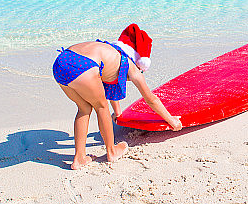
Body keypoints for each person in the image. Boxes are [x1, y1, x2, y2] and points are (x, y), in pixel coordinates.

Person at [53, 25, 182, 170]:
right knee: (101, 107)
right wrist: (171, 120)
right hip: (83, 65)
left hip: (61, 62)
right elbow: (150, 98)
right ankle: (112, 151)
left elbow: (110, 86)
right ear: (138, 63)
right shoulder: (131, 67)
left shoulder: (113, 53)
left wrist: (118, 112)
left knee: (84, 108)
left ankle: (79, 158)